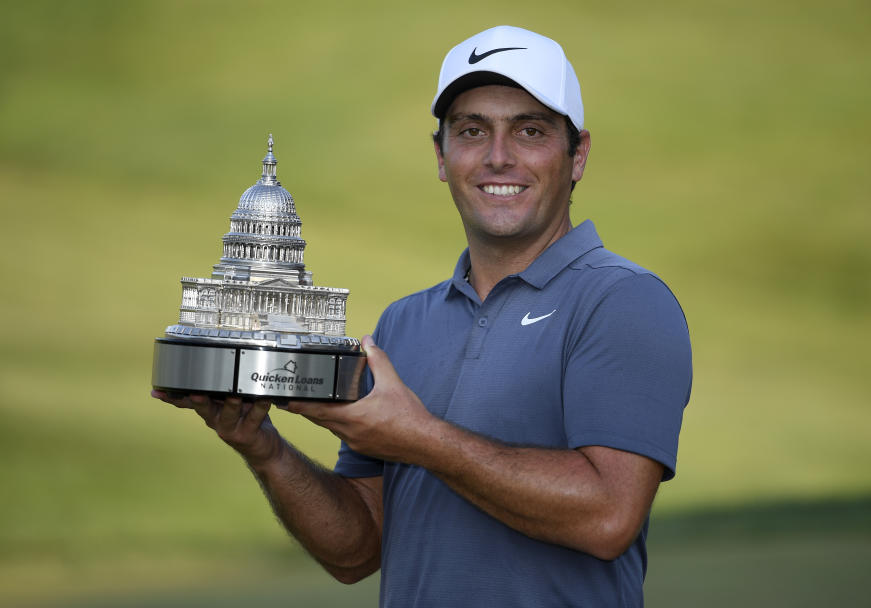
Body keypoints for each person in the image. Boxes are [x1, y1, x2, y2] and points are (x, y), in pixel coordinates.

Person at [153, 25, 692, 607]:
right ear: (441, 155)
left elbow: (608, 518)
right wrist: (262, 446)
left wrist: (420, 437)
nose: (498, 157)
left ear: (577, 154)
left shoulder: (624, 301)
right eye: (471, 131)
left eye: (530, 131)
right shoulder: (404, 323)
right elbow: (359, 550)